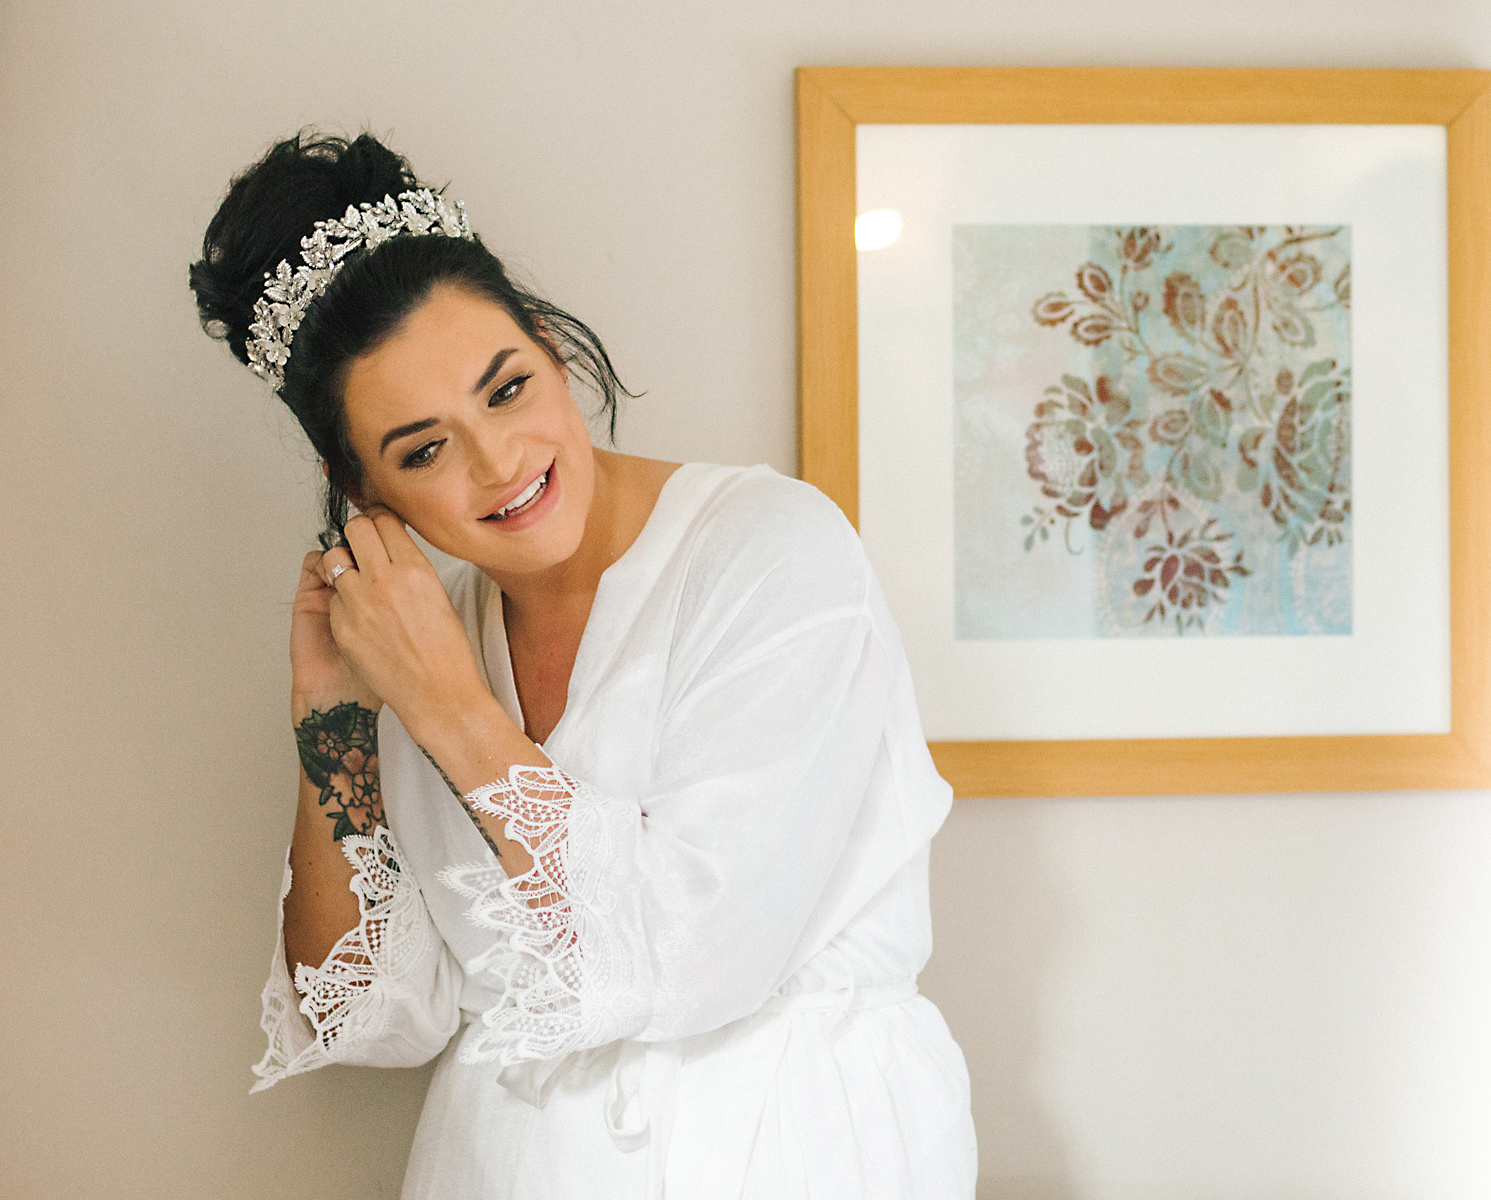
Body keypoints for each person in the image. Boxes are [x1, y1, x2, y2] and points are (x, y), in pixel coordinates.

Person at [190, 131, 977, 1200]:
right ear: (362, 485)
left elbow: (696, 958)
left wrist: (446, 705)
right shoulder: (430, 633)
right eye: (424, 449)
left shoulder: (774, 551)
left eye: (506, 390)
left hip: (784, 1151)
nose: (499, 463)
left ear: (553, 348)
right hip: (500, 1165)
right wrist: (331, 715)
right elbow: (372, 1015)